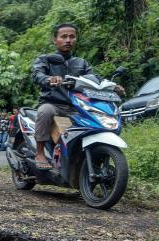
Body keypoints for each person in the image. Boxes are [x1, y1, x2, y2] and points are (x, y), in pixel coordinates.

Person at [32, 23, 123, 169]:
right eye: (64, 36)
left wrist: (113, 86)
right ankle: (40, 153)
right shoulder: (45, 59)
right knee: (45, 111)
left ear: (76, 39)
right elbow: (37, 75)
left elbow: (95, 79)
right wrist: (49, 79)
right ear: (55, 40)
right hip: (54, 105)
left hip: (78, 106)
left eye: (72, 36)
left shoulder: (81, 63)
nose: (68, 40)